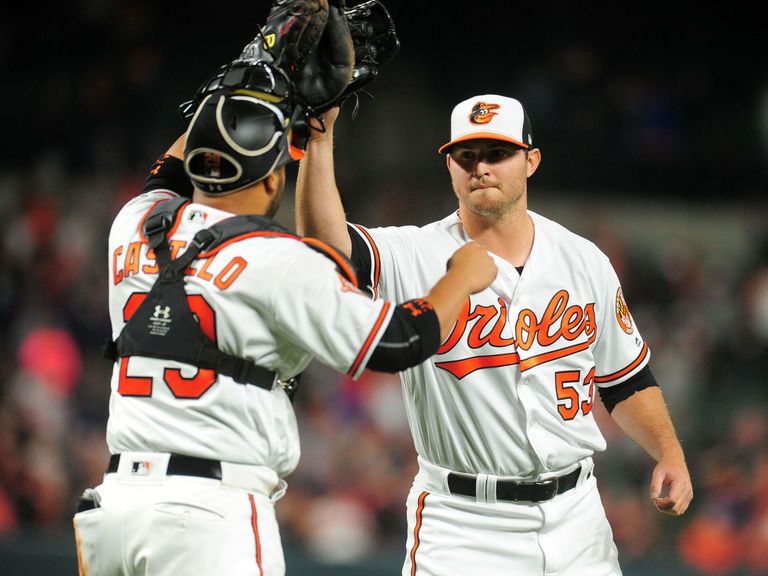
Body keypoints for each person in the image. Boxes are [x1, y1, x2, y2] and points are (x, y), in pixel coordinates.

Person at [71, 83, 497, 575]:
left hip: (116, 508)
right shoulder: (276, 259)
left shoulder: (136, 224)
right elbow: (397, 340)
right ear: (274, 181)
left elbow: (167, 170)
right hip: (206, 518)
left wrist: (247, 78)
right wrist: (461, 277)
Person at [295, 94, 694, 575]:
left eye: (497, 153)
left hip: (578, 517)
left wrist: (669, 453)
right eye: (466, 155)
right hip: (464, 522)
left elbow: (625, 379)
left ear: (531, 161)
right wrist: (318, 141)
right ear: (449, 166)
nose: (480, 166)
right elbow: (323, 251)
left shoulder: (584, 260)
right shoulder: (414, 253)